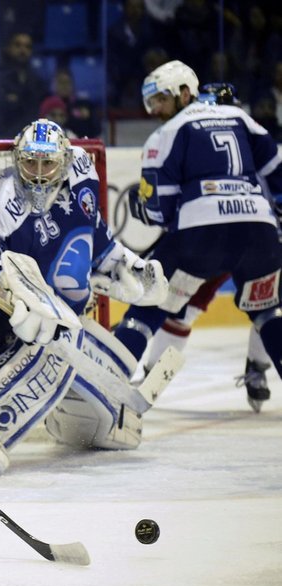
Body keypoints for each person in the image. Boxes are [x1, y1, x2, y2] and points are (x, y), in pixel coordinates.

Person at [0, 118, 168, 476]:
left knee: (72, 345)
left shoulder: (82, 177)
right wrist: (6, 290)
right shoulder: (4, 196)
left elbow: (94, 240)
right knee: (46, 343)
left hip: (43, 309)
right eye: (29, 162)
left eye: (46, 163)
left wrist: (126, 265)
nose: (36, 173)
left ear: (63, 162)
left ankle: (97, 417)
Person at [116, 61, 282, 407]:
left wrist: (144, 208)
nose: (156, 109)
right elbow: (277, 173)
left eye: (161, 98)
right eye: (151, 102)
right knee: (267, 312)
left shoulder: (168, 133)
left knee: (149, 302)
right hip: (259, 233)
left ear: (186, 93)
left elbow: (160, 211)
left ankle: (109, 385)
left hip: (201, 236)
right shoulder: (243, 119)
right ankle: (258, 369)